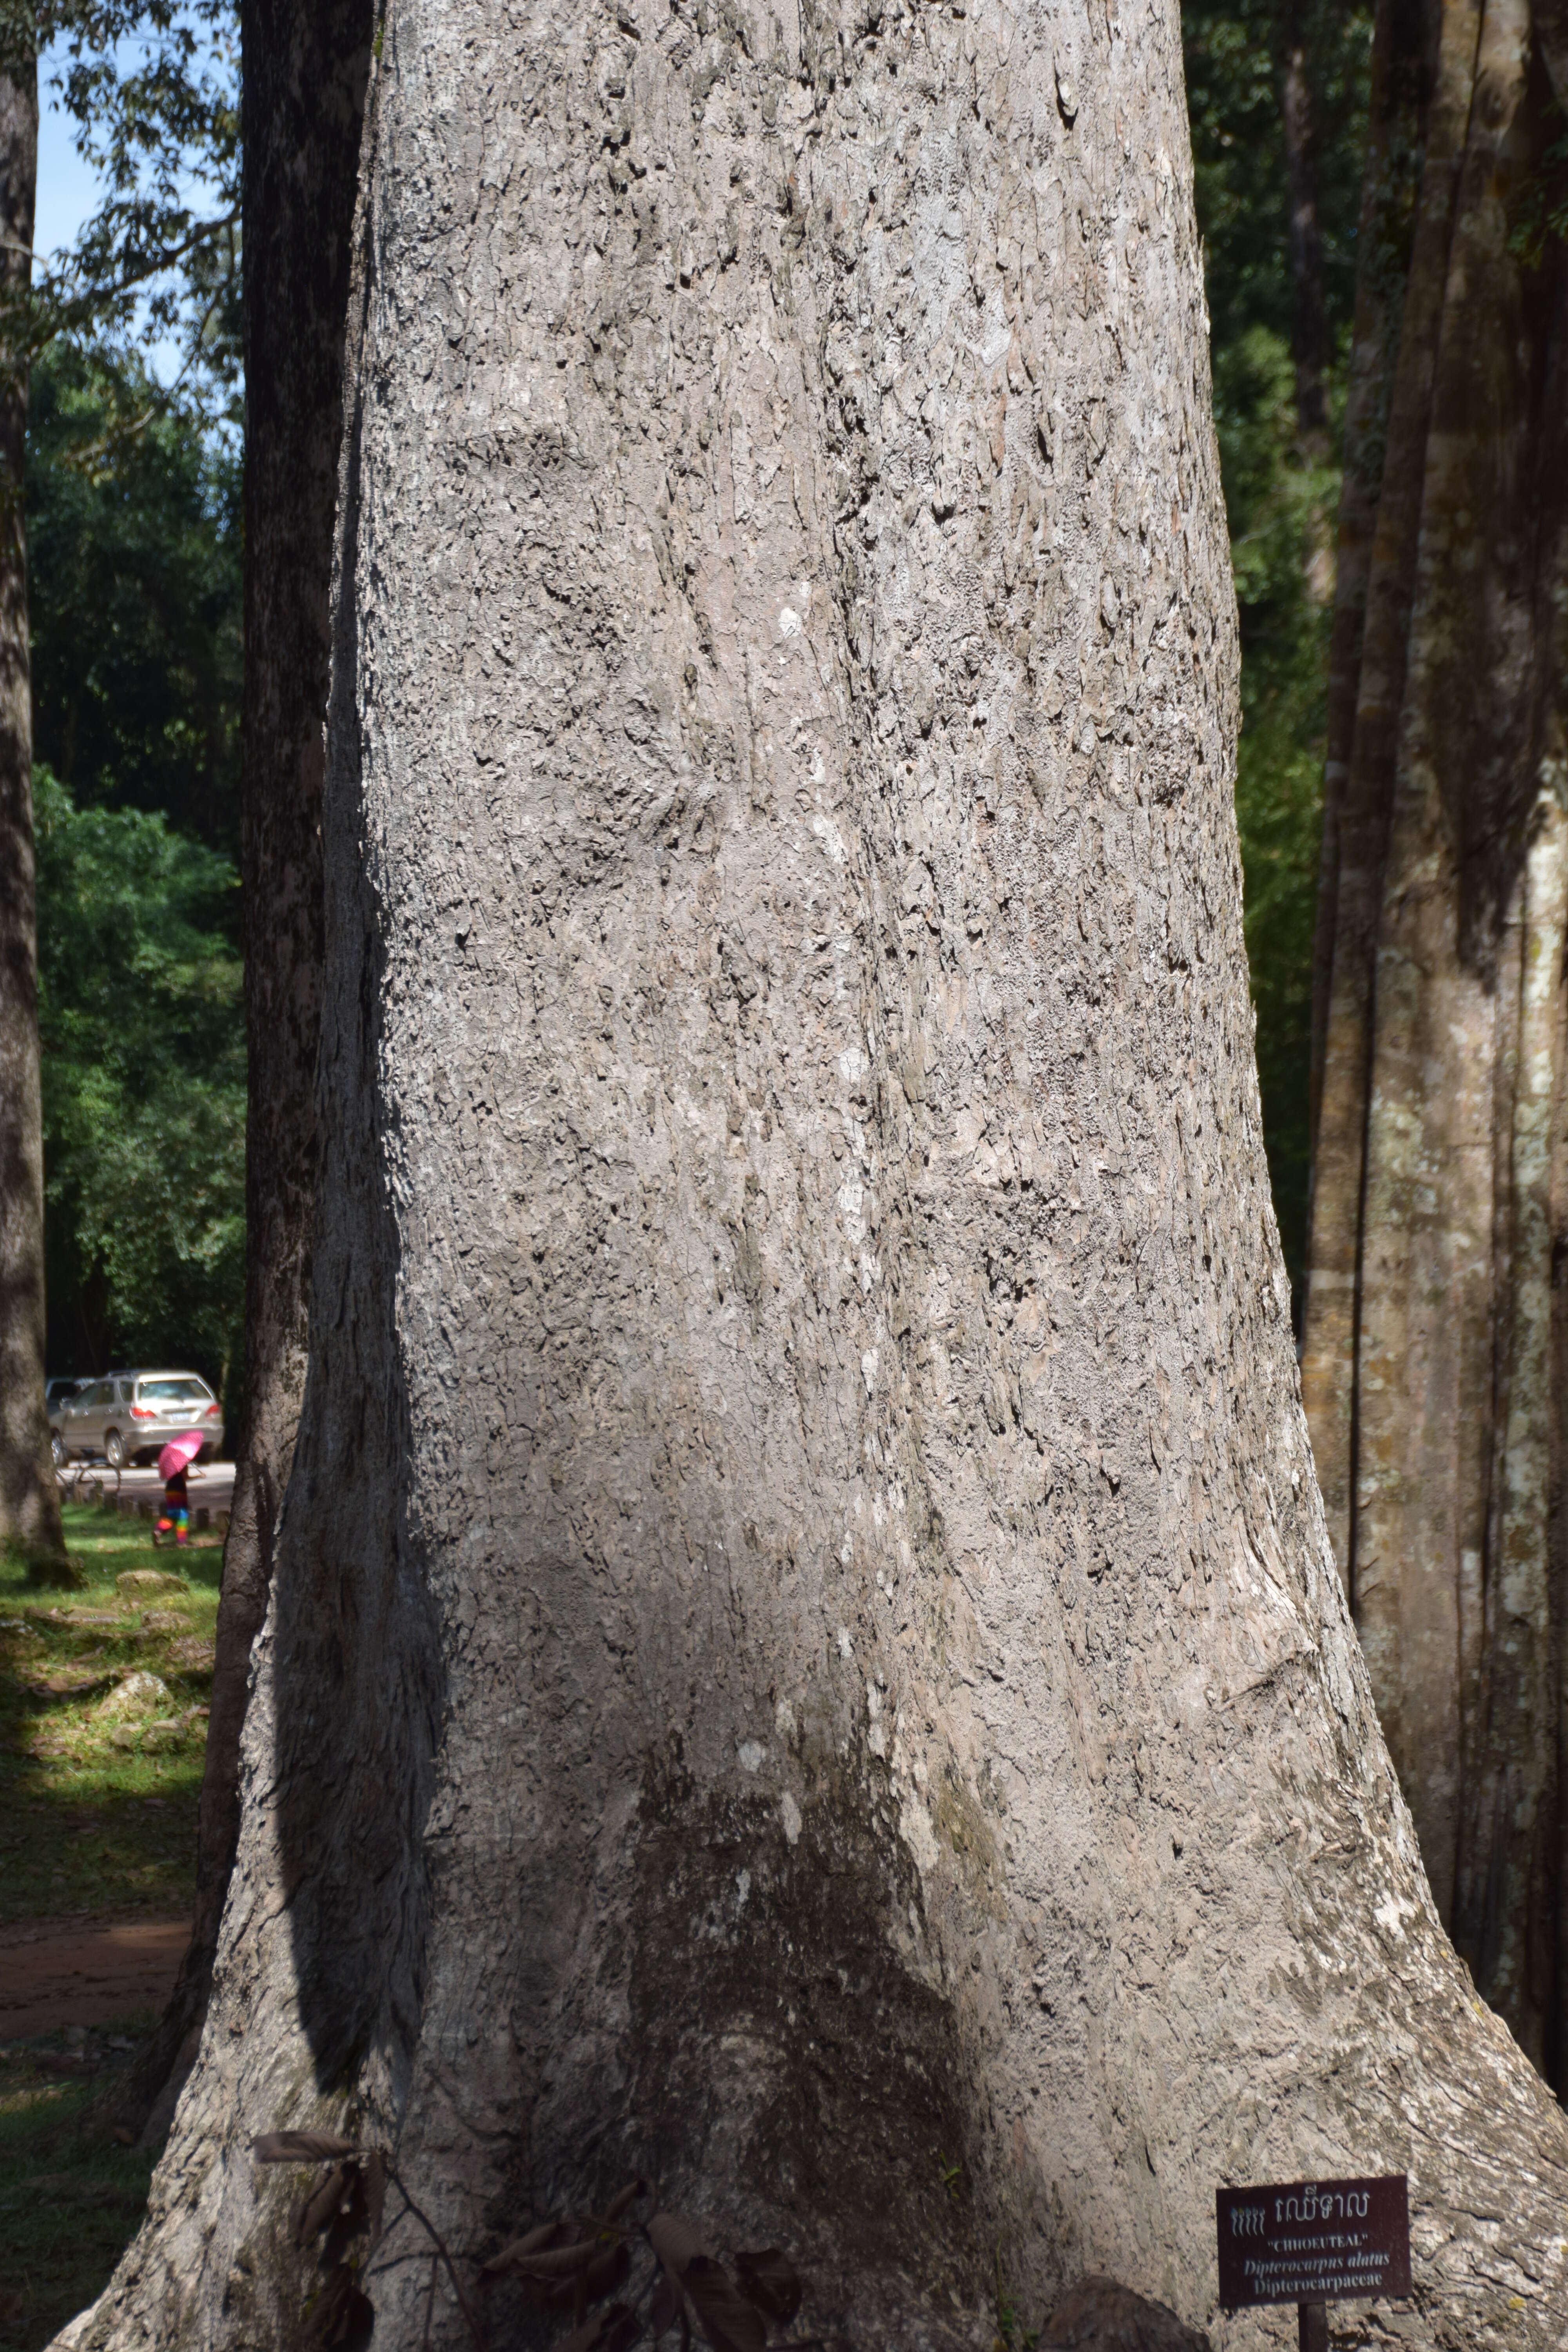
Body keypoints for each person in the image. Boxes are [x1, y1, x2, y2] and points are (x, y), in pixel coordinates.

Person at [155, 1459, 190, 1549]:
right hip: (179, 1491)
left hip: (170, 1490)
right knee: (183, 1516)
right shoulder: (183, 1463)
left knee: (172, 1516)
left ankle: (159, 1531)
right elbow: (185, 1477)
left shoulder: (169, 1463)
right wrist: (200, 1476)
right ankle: (182, 1541)